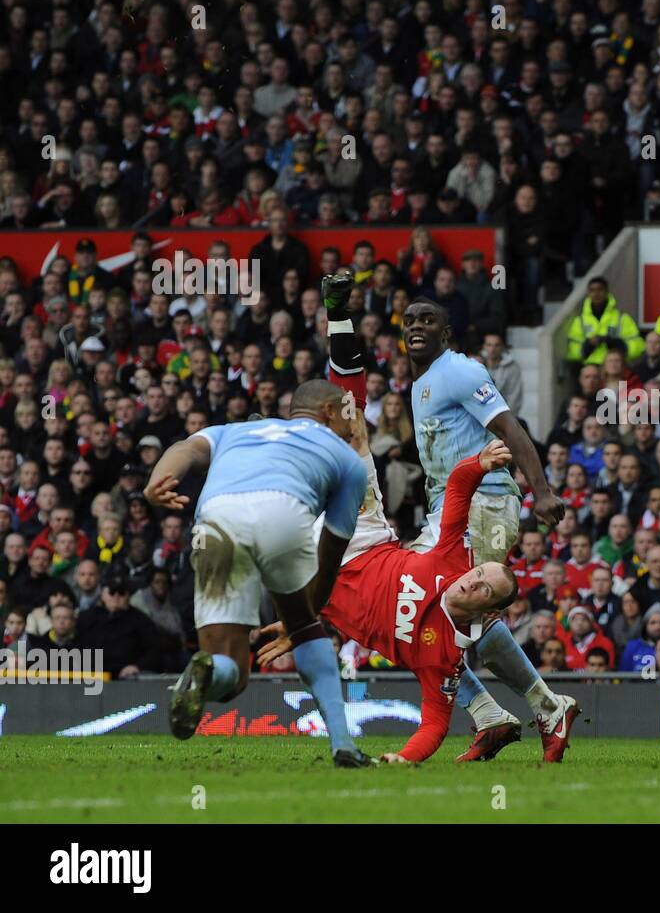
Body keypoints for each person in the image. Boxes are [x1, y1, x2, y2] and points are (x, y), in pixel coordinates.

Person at [321, 270, 575, 762]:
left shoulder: (459, 371)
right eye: (409, 320)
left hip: (487, 498)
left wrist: (540, 491)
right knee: (430, 619)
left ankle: (539, 707)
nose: (416, 326)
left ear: (447, 333)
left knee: (430, 612)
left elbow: (511, 427)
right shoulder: (421, 384)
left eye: (428, 320)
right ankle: (500, 713)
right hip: (451, 504)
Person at [145, 378, 371, 767]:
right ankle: (342, 743)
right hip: (283, 512)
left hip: (216, 518)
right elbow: (332, 547)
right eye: (348, 415)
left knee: (232, 675)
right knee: (305, 629)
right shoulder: (348, 459)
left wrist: (156, 483)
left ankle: (206, 669)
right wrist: (305, 617)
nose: (353, 426)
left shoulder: (237, 430)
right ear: (329, 411)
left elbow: (186, 449)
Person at [258, 436, 526, 763]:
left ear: (490, 610)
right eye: (479, 573)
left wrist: (405, 758)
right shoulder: (453, 559)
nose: (473, 582)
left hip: (317, 586)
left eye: (485, 589)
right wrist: (479, 464)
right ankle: (299, 424)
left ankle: (272, 447)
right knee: (354, 438)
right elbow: (457, 488)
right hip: (362, 539)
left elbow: (434, 725)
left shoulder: (443, 657)